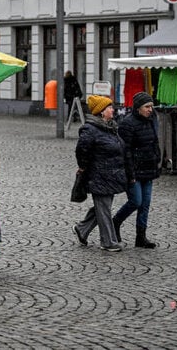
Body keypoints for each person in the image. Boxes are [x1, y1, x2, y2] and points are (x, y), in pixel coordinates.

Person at [73, 95, 131, 253]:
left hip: (111, 175)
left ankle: (82, 228)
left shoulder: (110, 127)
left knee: (103, 207)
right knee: (104, 208)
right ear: (101, 112)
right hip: (98, 175)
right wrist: (84, 166)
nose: (113, 110)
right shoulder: (90, 129)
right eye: (109, 107)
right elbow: (81, 149)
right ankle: (108, 241)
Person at [113, 92, 161, 248]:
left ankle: (141, 237)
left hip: (149, 168)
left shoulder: (151, 120)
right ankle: (116, 222)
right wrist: (130, 173)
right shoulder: (127, 124)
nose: (150, 110)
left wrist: (157, 159)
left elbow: (154, 142)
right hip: (133, 170)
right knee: (136, 201)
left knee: (145, 204)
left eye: (151, 106)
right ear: (138, 108)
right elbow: (124, 151)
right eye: (147, 107)